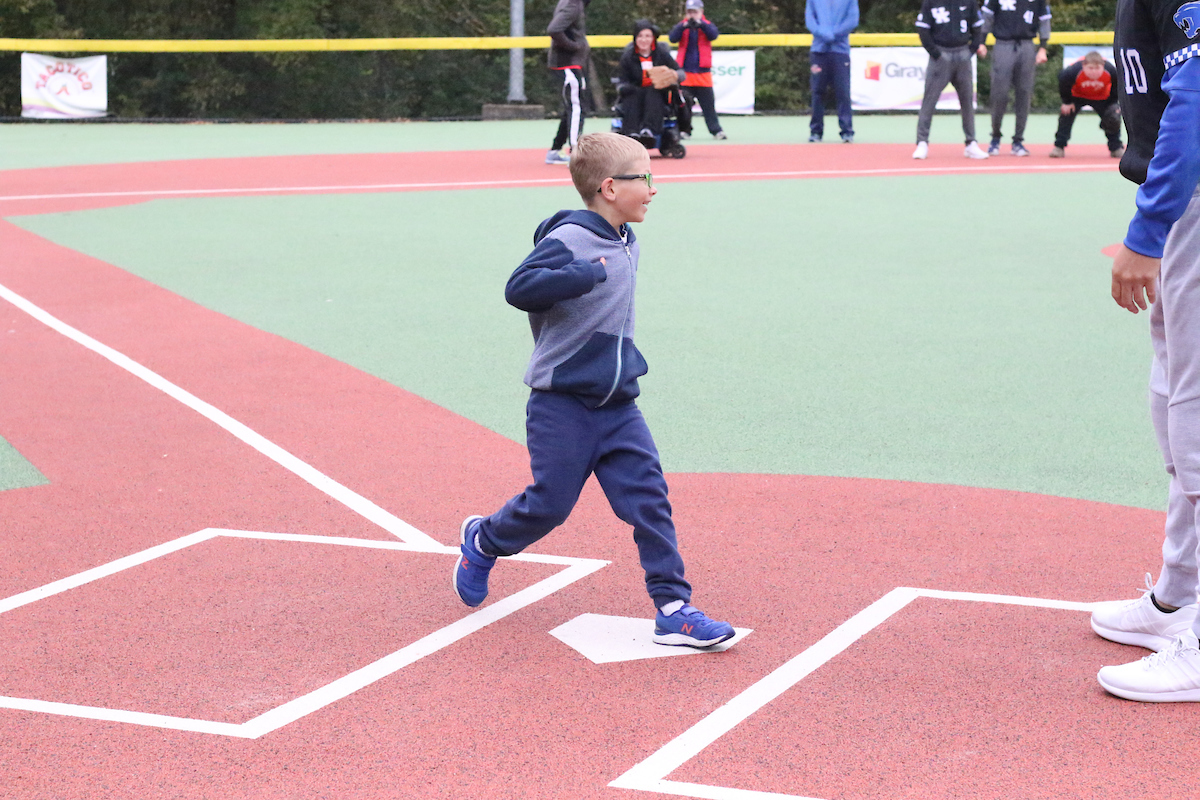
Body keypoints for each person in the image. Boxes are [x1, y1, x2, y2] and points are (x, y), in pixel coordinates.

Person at [451, 132, 736, 649]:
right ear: (610, 187)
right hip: (562, 404)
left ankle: (673, 608)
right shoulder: (571, 241)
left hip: (619, 405)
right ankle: (484, 540)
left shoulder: (626, 237)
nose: (654, 188)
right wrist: (581, 274)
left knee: (649, 500)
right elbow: (520, 288)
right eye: (644, 178)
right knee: (551, 505)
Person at [1095, 0, 1200, 700]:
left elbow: (1196, 107)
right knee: (1171, 392)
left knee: (1195, 405)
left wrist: (1147, 229)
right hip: (1183, 203)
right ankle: (1178, 594)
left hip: (1191, 199)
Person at [912, 0, 990, 159]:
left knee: (967, 101)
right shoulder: (931, 2)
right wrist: (936, 54)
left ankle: (971, 142)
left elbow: (977, 28)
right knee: (929, 100)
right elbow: (923, 29)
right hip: (941, 53)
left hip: (962, 52)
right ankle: (922, 142)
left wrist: (971, 50)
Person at [980, 0, 1052, 156]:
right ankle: (995, 136)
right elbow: (987, 18)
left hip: (1027, 44)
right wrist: (981, 41)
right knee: (999, 94)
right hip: (1003, 44)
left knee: (1024, 93)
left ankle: (1018, 140)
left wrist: (1043, 48)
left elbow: (1044, 21)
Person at [616, 20, 686, 144]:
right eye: (640, 36)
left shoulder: (661, 54)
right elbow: (621, 80)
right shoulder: (628, 57)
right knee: (633, 93)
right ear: (635, 38)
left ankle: (649, 130)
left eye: (647, 36)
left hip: (657, 92)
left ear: (653, 38)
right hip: (635, 92)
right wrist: (623, 88)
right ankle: (631, 131)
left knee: (652, 92)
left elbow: (681, 73)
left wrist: (674, 75)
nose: (644, 40)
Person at [669, 0, 727, 140]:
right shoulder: (682, 26)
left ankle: (716, 130)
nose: (692, 15)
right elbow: (672, 38)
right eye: (689, 12)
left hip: (703, 73)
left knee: (708, 106)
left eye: (695, 12)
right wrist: (683, 26)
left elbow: (714, 35)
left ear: (701, 12)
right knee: (684, 105)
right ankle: (685, 130)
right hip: (686, 73)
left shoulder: (706, 25)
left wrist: (701, 24)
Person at [1050, 51, 1124, 158]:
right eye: (1090, 68)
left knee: (1113, 116)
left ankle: (1116, 147)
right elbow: (1063, 81)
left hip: (1102, 97)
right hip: (1077, 96)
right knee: (1066, 115)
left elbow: (1117, 86)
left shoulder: (1111, 71)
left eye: (1097, 68)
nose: (1094, 72)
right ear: (1084, 66)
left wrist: (1113, 104)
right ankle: (1059, 146)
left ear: (1103, 66)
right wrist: (1067, 102)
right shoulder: (1073, 71)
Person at [806, 0, 860, 143]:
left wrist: (833, 34)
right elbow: (810, 21)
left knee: (843, 92)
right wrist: (822, 33)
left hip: (840, 51)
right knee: (817, 92)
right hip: (818, 51)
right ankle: (816, 131)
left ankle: (847, 131)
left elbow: (852, 20)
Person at [545, 0, 592, 165]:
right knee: (577, 107)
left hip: (570, 64)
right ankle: (576, 152)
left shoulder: (573, 3)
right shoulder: (573, 4)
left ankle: (554, 150)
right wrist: (574, 46)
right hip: (568, 64)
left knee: (571, 108)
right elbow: (554, 29)